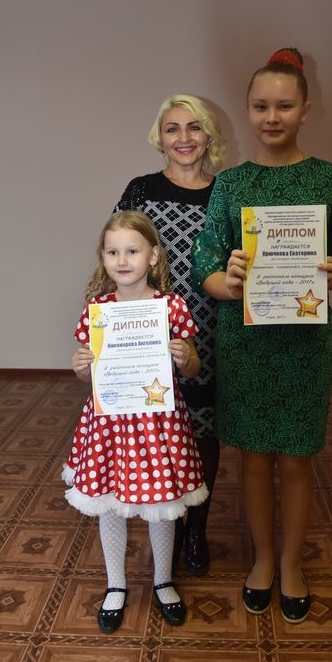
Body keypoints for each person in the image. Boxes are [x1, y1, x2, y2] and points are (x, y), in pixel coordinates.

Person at [192, 48, 332, 623]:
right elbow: (205, 265)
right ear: (247, 110)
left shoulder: (328, 179)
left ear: (305, 110)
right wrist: (228, 282)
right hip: (245, 343)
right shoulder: (230, 184)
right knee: (254, 459)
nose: (272, 117)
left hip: (303, 345)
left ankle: (291, 563)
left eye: (285, 106)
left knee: (295, 459)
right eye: (261, 106)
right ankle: (263, 558)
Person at [63, 210, 208, 633]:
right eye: (112, 252)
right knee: (110, 502)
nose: (122, 260)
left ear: (153, 256)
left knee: (160, 506)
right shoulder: (97, 311)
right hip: (110, 424)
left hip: (158, 423)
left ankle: (163, 580)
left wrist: (186, 357)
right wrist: (80, 367)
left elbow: (193, 368)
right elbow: (88, 376)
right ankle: (116, 584)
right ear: (103, 258)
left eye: (132, 251)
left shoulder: (171, 307)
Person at [114, 94, 227, 575]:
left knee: (202, 432)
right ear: (159, 138)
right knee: (160, 430)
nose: (184, 138)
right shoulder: (140, 190)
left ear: (209, 135)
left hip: (210, 330)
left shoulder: (226, 192)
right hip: (148, 333)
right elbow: (118, 247)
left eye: (194, 127)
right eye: (173, 128)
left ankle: (196, 527)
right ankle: (168, 525)